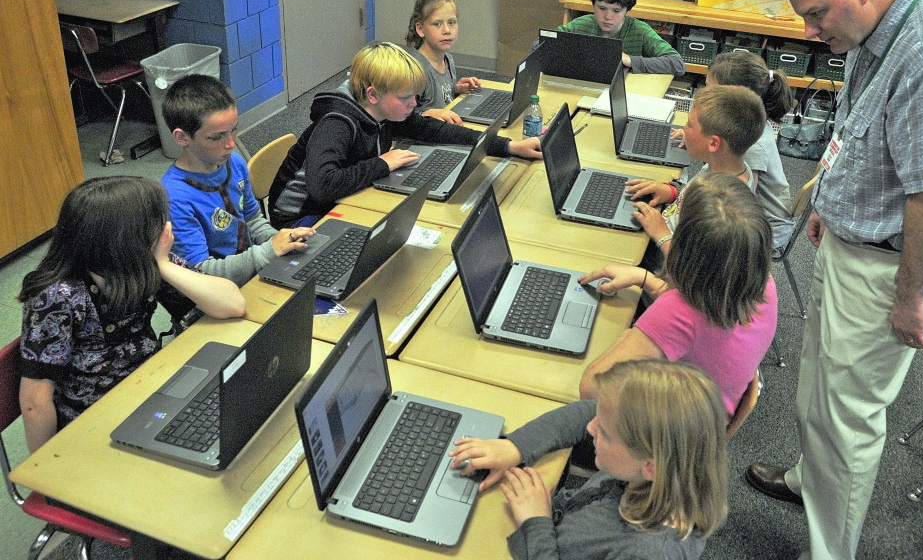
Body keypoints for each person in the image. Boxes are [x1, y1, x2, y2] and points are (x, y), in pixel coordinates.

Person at [745, 0, 923, 560]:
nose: (809, 31)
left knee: (848, 415)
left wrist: (911, 297)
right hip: (856, 241)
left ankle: (830, 551)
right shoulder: (874, 29)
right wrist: (828, 202)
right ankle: (811, 481)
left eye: (815, 14)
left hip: (895, 265)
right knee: (817, 384)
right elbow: (862, 128)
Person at [18, 177, 247, 453]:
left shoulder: (145, 263)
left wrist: (162, 265)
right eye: (157, 223)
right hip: (96, 421)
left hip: (151, 393)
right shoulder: (56, 296)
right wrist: (44, 472)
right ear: (126, 239)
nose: (167, 228)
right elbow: (35, 400)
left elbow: (232, 304)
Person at [448, 359, 729, 560]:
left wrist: (535, 523)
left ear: (650, 466)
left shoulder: (644, 551)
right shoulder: (667, 469)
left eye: (604, 432)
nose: (590, 427)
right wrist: (516, 447)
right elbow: (586, 412)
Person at [268, 42, 542, 228]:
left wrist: (508, 146)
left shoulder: (386, 111)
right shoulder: (337, 123)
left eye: (415, 97)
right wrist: (382, 164)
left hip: (343, 197)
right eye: (406, 98)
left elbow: (434, 130)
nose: (414, 105)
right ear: (373, 94)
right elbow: (323, 185)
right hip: (300, 216)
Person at [577, 171, 776, 418]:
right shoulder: (759, 280)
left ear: (684, 244)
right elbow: (701, 314)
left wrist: (626, 337)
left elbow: (591, 388)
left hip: (673, 435)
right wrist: (644, 278)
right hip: (706, 416)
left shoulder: (678, 312)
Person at [161, 74, 316, 287]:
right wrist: (268, 252)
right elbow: (200, 273)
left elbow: (251, 220)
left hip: (252, 271)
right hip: (218, 292)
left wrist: (282, 241)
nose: (231, 144)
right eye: (217, 137)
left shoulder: (233, 162)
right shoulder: (174, 198)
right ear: (182, 138)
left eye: (233, 130)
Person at [627, 84, 767, 260]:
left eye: (689, 125)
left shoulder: (722, 208)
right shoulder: (725, 167)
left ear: (714, 144)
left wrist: (662, 234)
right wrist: (672, 193)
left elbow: (692, 266)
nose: (684, 129)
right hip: (664, 229)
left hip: (666, 258)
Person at [706, 51, 796, 253]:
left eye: (711, 91)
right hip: (758, 220)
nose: (703, 97)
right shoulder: (746, 123)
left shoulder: (752, 146)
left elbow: (735, 201)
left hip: (763, 232)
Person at [557, 0, 685, 75]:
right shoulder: (581, 25)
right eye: (602, 8)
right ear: (593, 5)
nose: (608, 16)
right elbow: (541, 43)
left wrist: (630, 60)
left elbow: (678, 64)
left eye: (616, 11)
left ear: (627, 10)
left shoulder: (640, 30)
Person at [405, 0, 481, 125]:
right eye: (437, 24)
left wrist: (455, 90)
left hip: (445, 128)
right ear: (420, 29)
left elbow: (440, 100)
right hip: (422, 136)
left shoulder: (448, 59)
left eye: (452, 22)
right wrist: (426, 114)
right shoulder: (415, 71)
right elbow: (402, 117)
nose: (447, 30)